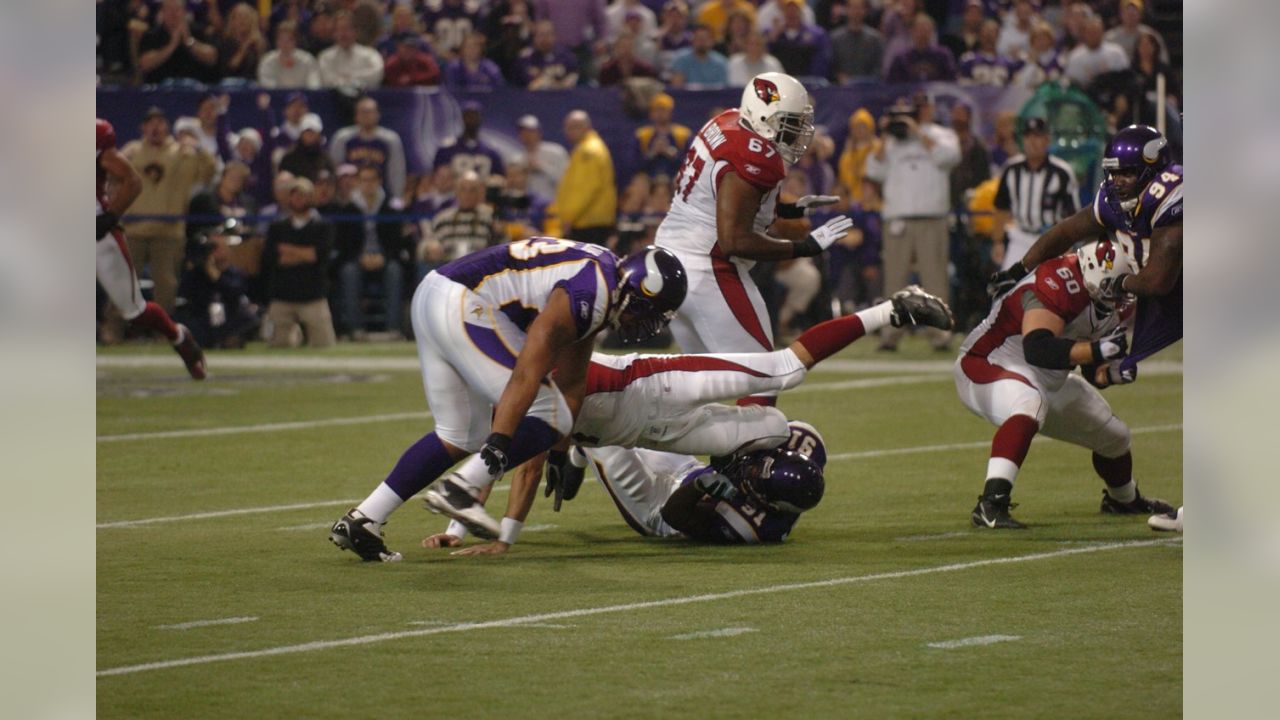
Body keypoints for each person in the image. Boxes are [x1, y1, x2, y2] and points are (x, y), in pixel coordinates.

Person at [419, 288, 952, 551]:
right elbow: (512, 457)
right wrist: (472, 530)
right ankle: (891, 311)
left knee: (777, 384)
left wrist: (495, 535)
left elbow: (513, 460)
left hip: (653, 414)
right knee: (776, 410)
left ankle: (893, 310)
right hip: (645, 418)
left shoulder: (533, 369)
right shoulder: (515, 387)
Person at [329, 242, 689, 562]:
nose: (645, 324)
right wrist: (501, 445)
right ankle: (462, 486)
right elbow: (526, 374)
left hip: (437, 296)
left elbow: (572, 381)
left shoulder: (601, 286)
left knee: (459, 435)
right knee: (546, 411)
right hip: (464, 302)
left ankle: (364, 519)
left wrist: (560, 451)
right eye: (648, 312)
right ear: (637, 291)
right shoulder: (591, 289)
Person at [654, 72, 852, 403]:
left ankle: (674, 457)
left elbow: (720, 197)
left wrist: (790, 210)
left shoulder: (728, 121)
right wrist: (805, 247)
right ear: (764, 116)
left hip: (669, 257)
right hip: (707, 267)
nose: (797, 133)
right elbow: (735, 240)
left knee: (700, 384)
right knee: (764, 378)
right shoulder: (753, 154)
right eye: (790, 123)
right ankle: (753, 455)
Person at [957, 239, 1175, 528]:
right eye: (1120, 284)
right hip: (987, 364)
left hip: (1048, 379)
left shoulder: (1114, 303)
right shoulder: (1057, 280)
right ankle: (990, 504)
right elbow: (1038, 347)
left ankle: (1123, 499)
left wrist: (1109, 373)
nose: (1124, 294)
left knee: (1115, 436)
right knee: (1030, 403)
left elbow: (1089, 369)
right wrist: (1097, 350)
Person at [989, 124, 1181, 387]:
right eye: (1113, 173)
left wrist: (1118, 283)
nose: (1118, 182)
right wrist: (1020, 269)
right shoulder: (1116, 201)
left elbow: (1157, 281)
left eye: (1127, 173)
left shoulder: (1172, 200)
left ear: (1154, 169)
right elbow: (1066, 232)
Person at [97, 118, 206, 378]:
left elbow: (133, 181)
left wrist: (111, 217)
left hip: (96, 233)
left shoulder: (94, 134)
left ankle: (178, 336)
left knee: (134, 310)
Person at [863, 94, 960, 351]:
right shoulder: (893, 141)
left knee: (935, 280)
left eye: (919, 107)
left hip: (932, 216)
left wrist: (918, 132)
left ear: (929, 109)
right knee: (894, 281)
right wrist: (885, 135)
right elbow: (873, 170)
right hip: (898, 217)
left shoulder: (942, 134)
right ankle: (890, 336)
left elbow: (948, 158)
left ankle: (940, 335)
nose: (914, 113)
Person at [120, 106, 217, 315]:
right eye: (150, 123)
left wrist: (198, 148)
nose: (155, 128)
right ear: (143, 128)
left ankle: (163, 331)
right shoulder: (132, 151)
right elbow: (110, 176)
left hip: (168, 230)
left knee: (166, 284)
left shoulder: (183, 153)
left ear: (168, 127)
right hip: (134, 227)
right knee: (123, 281)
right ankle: (114, 329)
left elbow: (210, 172)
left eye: (160, 123)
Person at [990, 117, 1079, 271]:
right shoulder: (1011, 169)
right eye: (1028, 136)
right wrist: (997, 242)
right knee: (1006, 288)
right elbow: (1001, 208)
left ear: (1047, 140)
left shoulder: (1062, 172)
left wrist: (1067, 244)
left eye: (1037, 136)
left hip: (1051, 240)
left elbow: (1071, 214)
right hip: (1020, 237)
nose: (1032, 142)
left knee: (1051, 289)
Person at [261, 177, 337, 348]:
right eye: (294, 195)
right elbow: (271, 258)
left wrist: (288, 249)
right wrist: (305, 253)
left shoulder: (323, 226)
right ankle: (295, 335)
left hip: (313, 296)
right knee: (278, 344)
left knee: (324, 344)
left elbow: (318, 256)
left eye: (303, 195)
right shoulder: (277, 227)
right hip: (283, 296)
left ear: (311, 197)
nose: (298, 199)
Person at [338, 165, 410, 338]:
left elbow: (396, 242)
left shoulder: (390, 208)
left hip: (384, 258)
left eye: (372, 179)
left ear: (379, 182)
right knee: (348, 272)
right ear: (359, 182)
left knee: (395, 271)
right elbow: (343, 244)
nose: (368, 184)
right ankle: (355, 329)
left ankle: (393, 329)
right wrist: (359, 257)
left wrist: (383, 257)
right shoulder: (348, 209)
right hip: (357, 258)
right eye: (364, 179)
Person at [175, 220, 259, 349]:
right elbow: (185, 299)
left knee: (248, 317)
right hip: (203, 319)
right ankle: (211, 341)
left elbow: (235, 293)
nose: (214, 252)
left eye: (217, 247)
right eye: (211, 248)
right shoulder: (195, 274)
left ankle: (227, 339)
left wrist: (216, 276)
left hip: (229, 318)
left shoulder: (235, 273)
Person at [555, 111, 617, 246]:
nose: (568, 131)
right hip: (588, 221)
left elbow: (584, 189)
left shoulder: (588, 151)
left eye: (573, 127)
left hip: (588, 223)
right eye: (567, 127)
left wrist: (569, 217)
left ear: (585, 127)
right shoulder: (589, 147)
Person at [417, 171, 497, 275]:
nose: (467, 195)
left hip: (480, 271)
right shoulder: (443, 218)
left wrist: (498, 232)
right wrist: (429, 248)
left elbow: (502, 246)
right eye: (463, 189)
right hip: (449, 270)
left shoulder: (488, 217)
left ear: (479, 193)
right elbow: (423, 245)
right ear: (456, 192)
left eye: (472, 190)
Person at [328, 96, 408, 198]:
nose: (366, 116)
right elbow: (335, 167)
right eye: (362, 112)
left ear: (377, 115)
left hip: (381, 196)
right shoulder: (342, 137)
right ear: (356, 115)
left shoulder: (390, 139)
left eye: (369, 112)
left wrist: (396, 196)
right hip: (350, 197)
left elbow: (397, 171)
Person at [137, 0, 219, 84]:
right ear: (162, 12)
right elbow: (144, 64)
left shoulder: (199, 31)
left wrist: (189, 41)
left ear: (184, 12)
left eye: (177, 10)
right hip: (161, 90)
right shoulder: (152, 35)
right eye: (169, 10)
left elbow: (212, 58)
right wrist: (171, 46)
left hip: (195, 88)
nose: (173, 14)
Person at [433, 100, 506, 182]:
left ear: (481, 118)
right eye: (468, 116)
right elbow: (437, 176)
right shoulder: (447, 150)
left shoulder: (491, 152)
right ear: (462, 118)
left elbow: (499, 179)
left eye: (475, 116)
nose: (472, 119)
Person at [317, 9, 384, 89]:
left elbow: (376, 75)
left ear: (356, 31)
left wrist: (350, 77)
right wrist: (347, 81)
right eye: (340, 29)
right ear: (334, 33)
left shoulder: (370, 54)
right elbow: (326, 80)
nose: (343, 33)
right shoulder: (325, 57)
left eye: (347, 29)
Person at [633, 93, 692, 180]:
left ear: (670, 112)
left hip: (674, 177)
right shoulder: (642, 135)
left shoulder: (683, 134)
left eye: (663, 110)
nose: (660, 113)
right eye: (656, 110)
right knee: (640, 180)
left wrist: (671, 153)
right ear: (651, 113)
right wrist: (652, 153)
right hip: (649, 178)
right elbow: (633, 165)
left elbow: (691, 164)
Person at [884, 13, 957, 83]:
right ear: (912, 31)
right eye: (920, 30)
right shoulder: (901, 58)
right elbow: (892, 84)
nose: (923, 34)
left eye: (926, 30)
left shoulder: (943, 55)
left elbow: (951, 81)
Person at [766, 0, 830, 79]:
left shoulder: (817, 35)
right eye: (788, 9)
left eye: (794, 8)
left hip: (808, 83)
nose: (791, 12)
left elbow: (821, 62)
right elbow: (765, 58)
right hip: (781, 81)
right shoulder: (772, 34)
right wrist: (772, 39)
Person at [511, 114, 568, 202]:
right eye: (523, 132)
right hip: (528, 208)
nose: (527, 135)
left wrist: (541, 169)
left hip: (553, 206)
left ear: (539, 133)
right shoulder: (516, 159)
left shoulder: (556, 152)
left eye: (531, 131)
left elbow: (567, 181)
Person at [829, 0, 884, 84]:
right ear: (846, 9)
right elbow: (831, 66)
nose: (856, 11)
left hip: (868, 89)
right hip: (840, 90)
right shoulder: (835, 38)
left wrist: (864, 81)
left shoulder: (875, 39)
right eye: (852, 7)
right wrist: (839, 76)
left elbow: (879, 68)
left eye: (859, 8)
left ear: (865, 10)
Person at [516, 20, 580, 90]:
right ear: (534, 37)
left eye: (549, 34)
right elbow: (532, 86)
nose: (545, 39)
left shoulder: (566, 56)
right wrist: (559, 85)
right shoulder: (526, 58)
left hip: (562, 98)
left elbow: (573, 78)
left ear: (555, 36)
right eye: (541, 35)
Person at [258, 20, 322, 88]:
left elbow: (314, 86)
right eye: (281, 39)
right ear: (276, 41)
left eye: (289, 40)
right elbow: (269, 88)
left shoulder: (307, 60)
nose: (285, 44)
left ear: (296, 41)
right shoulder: (267, 61)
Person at [958, 18, 1019, 86]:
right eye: (986, 33)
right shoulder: (968, 60)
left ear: (998, 36)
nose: (989, 37)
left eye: (992, 33)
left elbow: (1013, 90)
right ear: (980, 36)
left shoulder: (1008, 62)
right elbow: (963, 89)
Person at [216, 2, 266, 81]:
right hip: (231, 84)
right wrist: (245, 47)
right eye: (239, 17)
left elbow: (263, 69)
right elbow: (229, 69)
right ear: (232, 21)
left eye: (246, 17)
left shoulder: (259, 41)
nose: (242, 21)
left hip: (254, 84)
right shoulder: (226, 41)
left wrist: (259, 47)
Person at [668, 24, 729, 88]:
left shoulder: (721, 62)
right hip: (687, 97)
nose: (702, 42)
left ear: (712, 41)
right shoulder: (681, 59)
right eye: (699, 38)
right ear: (692, 40)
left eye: (705, 39)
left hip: (714, 97)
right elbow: (677, 88)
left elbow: (722, 88)